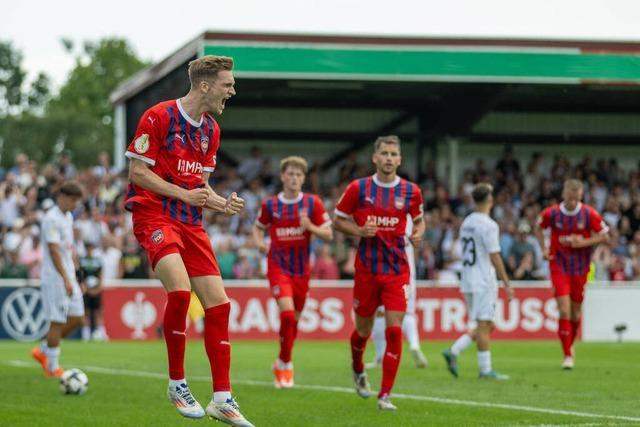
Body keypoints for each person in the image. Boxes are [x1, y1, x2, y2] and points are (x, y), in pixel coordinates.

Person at [124, 55, 253, 426]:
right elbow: (137, 172)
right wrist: (184, 196)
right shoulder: (159, 116)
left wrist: (220, 203)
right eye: (228, 84)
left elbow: (200, 187)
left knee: (219, 305)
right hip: (154, 215)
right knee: (180, 293)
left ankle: (223, 399)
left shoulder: (211, 129)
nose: (232, 90)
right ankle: (177, 384)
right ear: (206, 85)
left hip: (191, 224)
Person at [334, 135, 425, 411]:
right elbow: (337, 221)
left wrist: (418, 235)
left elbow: (420, 222)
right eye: (384, 153)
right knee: (363, 330)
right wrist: (359, 231)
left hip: (397, 270)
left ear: (399, 159)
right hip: (367, 271)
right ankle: (358, 367)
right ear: (375, 158)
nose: (388, 158)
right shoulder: (358, 189)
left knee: (395, 330)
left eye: (393, 154)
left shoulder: (411, 191)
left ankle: (385, 395)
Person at [252, 156, 332, 388]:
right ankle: (286, 365)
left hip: (301, 271)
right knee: (287, 315)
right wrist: (259, 243)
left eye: (299, 175)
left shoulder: (312, 203)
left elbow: (328, 234)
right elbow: (258, 228)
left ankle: (281, 359)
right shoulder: (270, 204)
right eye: (290, 174)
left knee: (294, 321)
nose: (294, 178)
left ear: (303, 178)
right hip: (277, 266)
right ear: (282, 176)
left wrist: (311, 228)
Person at [534, 179, 609, 369]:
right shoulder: (552, 213)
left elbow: (605, 236)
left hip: (581, 268)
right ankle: (567, 355)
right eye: (570, 196)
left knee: (575, 314)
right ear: (564, 195)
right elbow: (538, 226)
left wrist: (582, 242)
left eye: (577, 196)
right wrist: (543, 248)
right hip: (558, 265)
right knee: (564, 310)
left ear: (581, 196)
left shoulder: (588, 213)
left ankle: (570, 343)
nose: (574, 200)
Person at [442, 183, 514, 380]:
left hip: (467, 279)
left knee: (487, 325)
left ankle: (454, 351)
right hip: (484, 280)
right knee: (484, 326)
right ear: (490, 200)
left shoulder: (467, 222)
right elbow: (495, 256)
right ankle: (485, 370)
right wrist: (506, 282)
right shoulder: (489, 225)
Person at [31, 182, 85, 377]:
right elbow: (54, 251)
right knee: (57, 320)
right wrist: (65, 279)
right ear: (62, 196)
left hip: (69, 275)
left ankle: (44, 349)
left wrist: (77, 275)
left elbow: (68, 249)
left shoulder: (68, 217)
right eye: (72, 199)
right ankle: (52, 367)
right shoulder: (50, 219)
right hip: (55, 277)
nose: (75, 204)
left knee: (78, 318)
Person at [367, 213, 428, 370]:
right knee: (408, 313)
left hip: (384, 270)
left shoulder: (383, 214)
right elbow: (416, 241)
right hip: (408, 272)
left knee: (381, 313)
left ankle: (380, 356)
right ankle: (415, 345)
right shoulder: (410, 217)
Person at [78, 242, 107, 341]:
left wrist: (97, 289)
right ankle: (86, 334)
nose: (89, 250)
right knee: (86, 312)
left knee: (98, 312)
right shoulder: (82, 261)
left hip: (96, 289)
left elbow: (100, 275)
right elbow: (80, 276)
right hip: (86, 290)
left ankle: (101, 333)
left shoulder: (97, 261)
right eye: (88, 248)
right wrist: (86, 288)